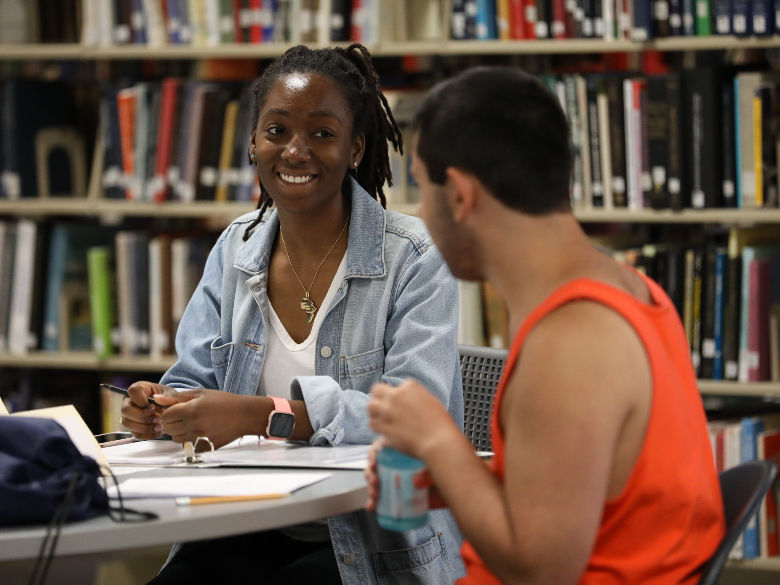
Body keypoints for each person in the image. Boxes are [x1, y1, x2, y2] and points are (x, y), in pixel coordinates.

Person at [120, 44, 464, 585]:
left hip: (374, 542)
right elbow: (192, 380)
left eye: (322, 134)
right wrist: (163, 410)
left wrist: (264, 415)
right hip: (244, 522)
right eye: (276, 131)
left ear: (355, 149)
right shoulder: (236, 248)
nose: (295, 151)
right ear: (254, 142)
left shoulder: (416, 258)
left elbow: (414, 421)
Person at [366, 66, 725, 585]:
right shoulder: (628, 289)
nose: (419, 209)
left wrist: (440, 441)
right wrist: (457, 477)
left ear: (461, 196)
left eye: (421, 187)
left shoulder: (571, 343)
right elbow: (583, 488)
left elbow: (543, 572)